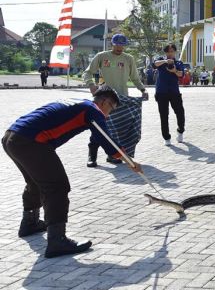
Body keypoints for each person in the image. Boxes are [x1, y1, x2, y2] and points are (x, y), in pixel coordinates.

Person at [2, 86, 143, 258]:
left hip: (11, 137)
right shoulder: (93, 110)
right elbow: (106, 141)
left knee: (36, 182)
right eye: (112, 109)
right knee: (57, 186)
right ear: (105, 102)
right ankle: (57, 240)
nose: (109, 114)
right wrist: (129, 161)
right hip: (31, 142)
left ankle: (29, 223)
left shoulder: (80, 104)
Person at [83, 34, 148, 167]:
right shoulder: (102, 56)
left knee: (117, 128)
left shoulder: (128, 59)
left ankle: (112, 155)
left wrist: (143, 90)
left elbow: (135, 78)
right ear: (112, 44)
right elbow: (87, 72)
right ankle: (92, 155)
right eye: (117, 44)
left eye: (122, 45)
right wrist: (91, 84)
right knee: (98, 127)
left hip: (120, 99)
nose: (120, 47)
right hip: (103, 98)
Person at [153, 44, 186, 146]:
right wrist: (165, 61)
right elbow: (154, 64)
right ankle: (166, 137)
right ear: (165, 52)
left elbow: (181, 74)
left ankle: (180, 131)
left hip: (174, 92)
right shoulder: (161, 60)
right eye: (168, 51)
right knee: (164, 115)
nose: (170, 53)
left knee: (180, 112)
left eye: (172, 51)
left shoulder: (178, 63)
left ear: (175, 52)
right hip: (161, 92)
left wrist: (174, 70)